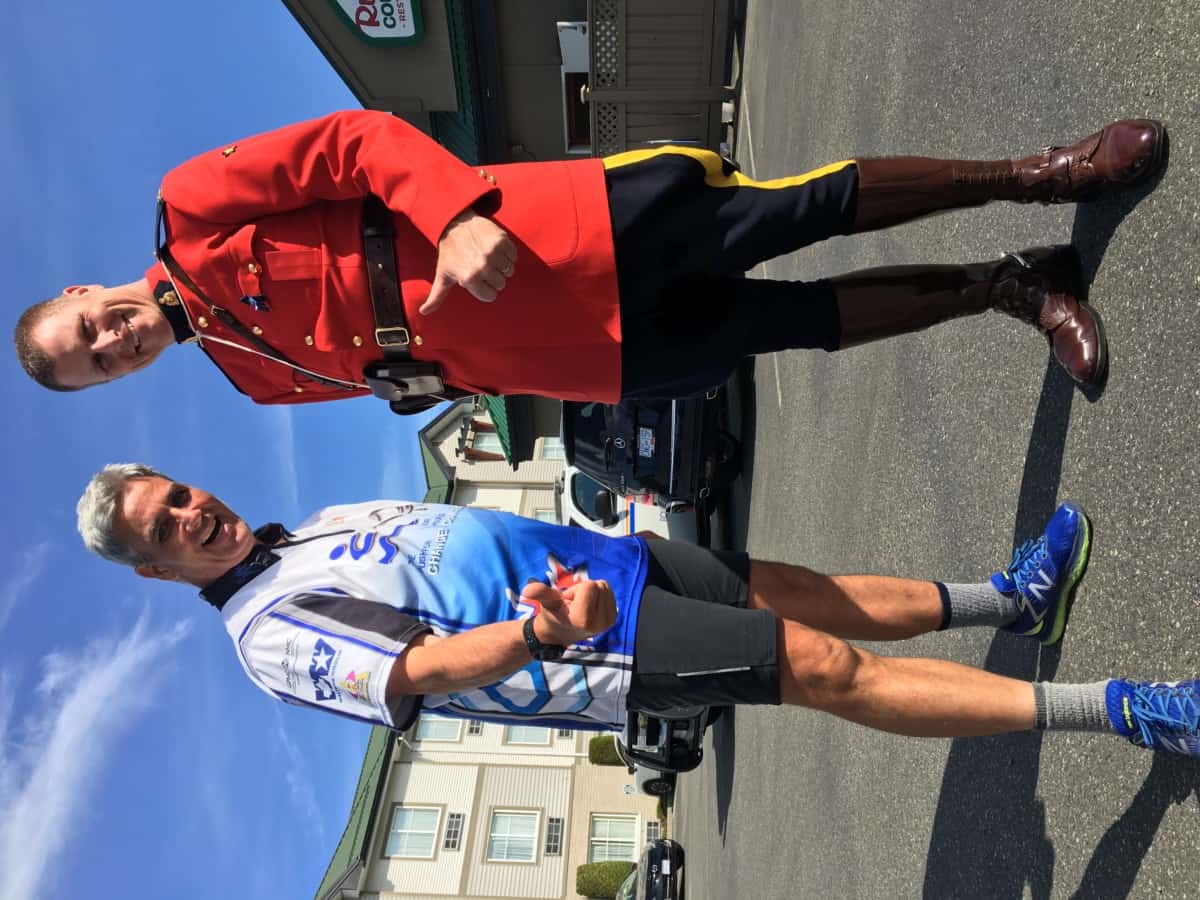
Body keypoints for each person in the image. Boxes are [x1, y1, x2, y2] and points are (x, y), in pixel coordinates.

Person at [18, 111, 1166, 407]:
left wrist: (451, 216)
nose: (115, 342)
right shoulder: (248, 377)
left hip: (554, 236)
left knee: (804, 210)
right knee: (804, 325)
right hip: (573, 353)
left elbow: (352, 144)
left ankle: (1039, 172)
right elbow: (396, 374)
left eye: (91, 330)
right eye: (101, 364)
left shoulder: (190, 209)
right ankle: (1011, 286)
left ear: (81, 293)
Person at [76, 462, 1198, 755]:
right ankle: (1122, 710)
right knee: (826, 668)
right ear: (157, 572)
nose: (192, 515)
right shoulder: (266, 631)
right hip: (591, 644)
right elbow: (412, 670)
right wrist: (540, 632)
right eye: (165, 529)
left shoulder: (313, 523)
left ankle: (1009, 601)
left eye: (178, 495)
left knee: (803, 589)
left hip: (610, 561)